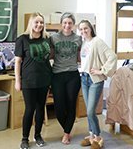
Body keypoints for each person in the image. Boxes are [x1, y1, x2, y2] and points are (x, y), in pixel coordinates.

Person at [15, 12, 52, 149]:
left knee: (40, 108)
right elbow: (18, 62)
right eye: (36, 22)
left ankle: (38, 135)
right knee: (30, 109)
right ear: (31, 23)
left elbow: (50, 58)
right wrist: (17, 81)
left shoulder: (47, 39)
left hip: (44, 79)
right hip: (29, 81)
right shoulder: (22, 39)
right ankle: (25, 138)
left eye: (41, 22)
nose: (39, 25)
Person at [78, 20, 117, 149]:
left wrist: (102, 71)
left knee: (90, 111)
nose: (83, 31)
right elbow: (85, 60)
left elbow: (112, 56)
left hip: (95, 79)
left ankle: (98, 137)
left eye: (86, 28)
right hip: (84, 78)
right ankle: (91, 136)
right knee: (89, 110)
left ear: (91, 28)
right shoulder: (84, 43)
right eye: (81, 29)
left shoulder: (97, 42)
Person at [50, 12, 82, 144]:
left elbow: (80, 56)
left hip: (73, 75)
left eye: (70, 23)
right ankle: (67, 128)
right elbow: (50, 55)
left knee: (71, 104)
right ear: (61, 23)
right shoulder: (53, 38)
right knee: (59, 107)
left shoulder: (78, 38)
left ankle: (66, 133)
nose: (67, 25)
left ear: (73, 25)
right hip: (57, 75)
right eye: (65, 23)